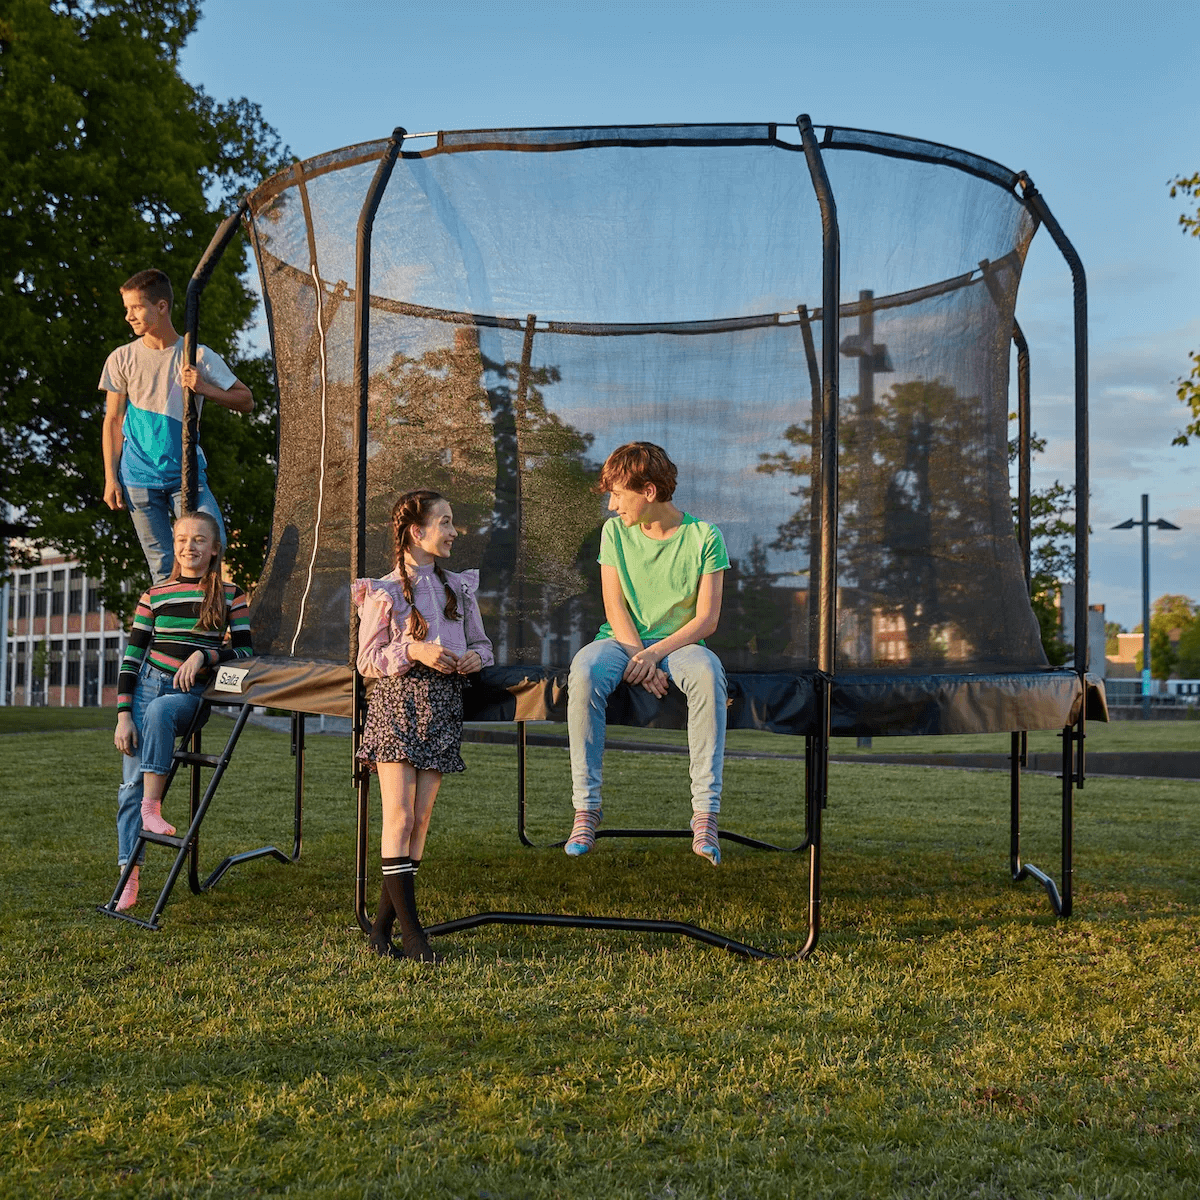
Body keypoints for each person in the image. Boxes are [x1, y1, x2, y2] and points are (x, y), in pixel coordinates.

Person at [565, 442, 730, 864]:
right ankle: (586, 809)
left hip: (680, 647)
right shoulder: (614, 533)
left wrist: (655, 656)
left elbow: (707, 620)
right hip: (621, 642)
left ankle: (705, 815)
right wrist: (640, 657)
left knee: (709, 674)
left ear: (649, 492)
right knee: (584, 670)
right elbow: (614, 607)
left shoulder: (705, 536)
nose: (611, 505)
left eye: (618, 494)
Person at [352, 489, 494, 963]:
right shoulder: (384, 591)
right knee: (401, 817)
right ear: (418, 531)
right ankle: (414, 936)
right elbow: (366, 660)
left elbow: (484, 644)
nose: (455, 532)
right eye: (446, 522)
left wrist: (476, 656)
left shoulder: (460, 587)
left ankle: (379, 931)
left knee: (421, 822)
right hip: (397, 706)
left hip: (443, 708)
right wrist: (415, 650)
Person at [112, 511, 253, 911]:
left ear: (213, 549)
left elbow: (245, 651)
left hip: (192, 694)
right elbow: (131, 659)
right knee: (129, 786)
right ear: (173, 546)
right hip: (145, 688)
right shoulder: (154, 595)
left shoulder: (230, 593)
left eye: (198, 540)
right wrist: (123, 715)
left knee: (160, 712)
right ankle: (129, 877)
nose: (188, 547)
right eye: (181, 540)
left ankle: (153, 810)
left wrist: (206, 654)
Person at [100, 268, 254, 584]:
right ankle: (170, 632)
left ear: (161, 306)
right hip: (138, 479)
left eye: (136, 307)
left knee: (213, 547)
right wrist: (110, 478)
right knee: (162, 567)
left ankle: (211, 623)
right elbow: (113, 420)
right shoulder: (121, 358)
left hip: (185, 476)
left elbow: (246, 400)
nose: (129, 316)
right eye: (126, 309)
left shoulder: (195, 354)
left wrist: (204, 388)